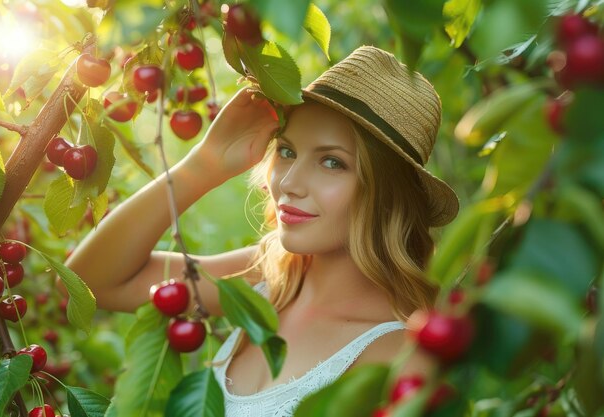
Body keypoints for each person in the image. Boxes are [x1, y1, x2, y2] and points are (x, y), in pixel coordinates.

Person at [65, 45, 459, 416]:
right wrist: (203, 164)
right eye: (287, 151)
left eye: (332, 163)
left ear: (388, 194)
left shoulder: (399, 355)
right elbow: (90, 282)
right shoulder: (269, 278)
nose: (289, 182)